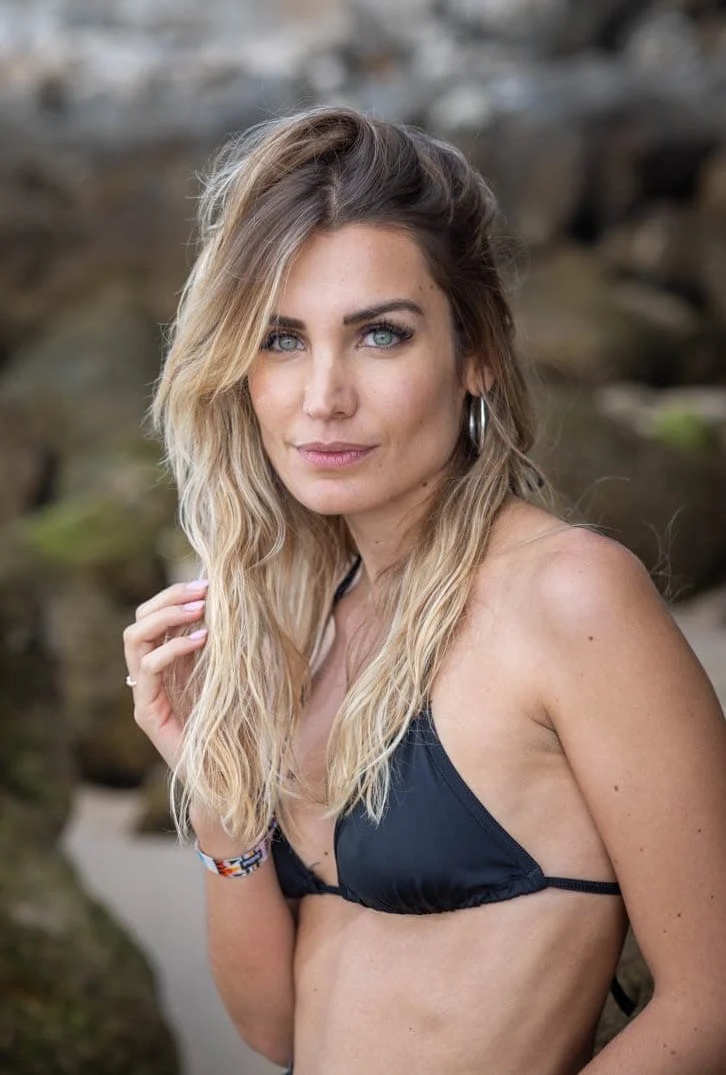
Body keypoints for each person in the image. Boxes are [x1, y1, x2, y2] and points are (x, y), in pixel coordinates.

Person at [123, 106, 726, 1075]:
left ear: (475, 352)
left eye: (380, 336)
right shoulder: (305, 623)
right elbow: (278, 1029)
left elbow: (712, 1004)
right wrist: (219, 794)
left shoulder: (569, 599)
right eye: (281, 340)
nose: (323, 395)